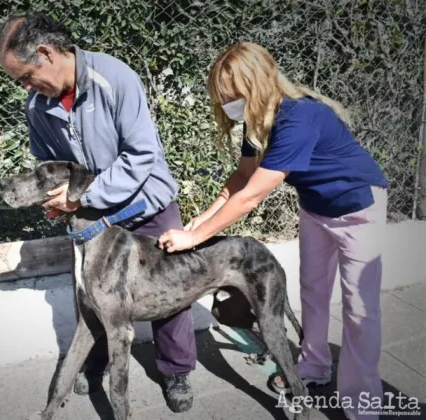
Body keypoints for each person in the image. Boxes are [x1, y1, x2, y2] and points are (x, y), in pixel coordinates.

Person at [158, 41, 389, 420]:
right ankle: (313, 369)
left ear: (256, 84)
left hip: (358, 207)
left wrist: (195, 239)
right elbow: (242, 177)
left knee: (360, 310)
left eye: (232, 96)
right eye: (223, 98)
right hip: (316, 208)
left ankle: (362, 404)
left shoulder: (299, 119)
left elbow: (251, 197)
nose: (228, 106)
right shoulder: (258, 119)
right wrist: (200, 220)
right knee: (313, 293)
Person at [0, 13, 196, 413]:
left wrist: (81, 197)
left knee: (171, 288)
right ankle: (96, 362)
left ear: (47, 53)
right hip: (89, 209)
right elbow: (47, 162)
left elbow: (140, 156)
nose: (26, 87)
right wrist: (56, 199)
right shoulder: (38, 104)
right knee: (89, 292)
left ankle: (176, 369)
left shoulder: (115, 78)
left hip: (145, 200)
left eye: (26, 76)